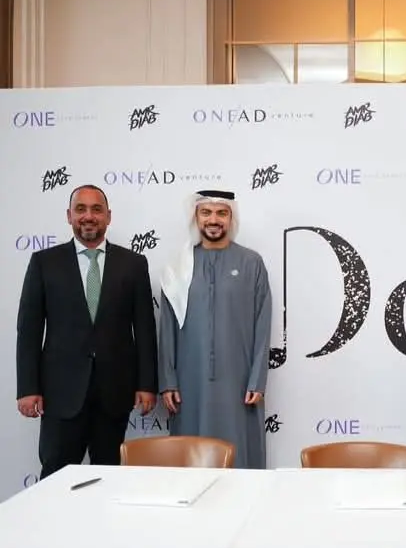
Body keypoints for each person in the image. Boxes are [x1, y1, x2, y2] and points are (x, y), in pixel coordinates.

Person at [16, 185, 157, 479]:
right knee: (56, 477)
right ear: (69, 216)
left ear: (108, 216)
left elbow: (144, 329)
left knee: (108, 477)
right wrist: (28, 388)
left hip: (114, 394)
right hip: (60, 395)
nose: (88, 216)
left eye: (96, 209)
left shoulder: (133, 264)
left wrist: (146, 384)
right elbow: (29, 330)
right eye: (80, 209)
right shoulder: (44, 262)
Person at [158, 190, 272, 469]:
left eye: (222, 213)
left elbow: (263, 323)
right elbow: (167, 328)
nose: (213, 220)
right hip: (189, 381)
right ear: (195, 217)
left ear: (231, 218)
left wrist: (257, 380)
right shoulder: (178, 267)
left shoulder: (251, 263)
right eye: (206, 212)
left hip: (239, 382)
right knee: (191, 455)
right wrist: (168, 381)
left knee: (240, 455)